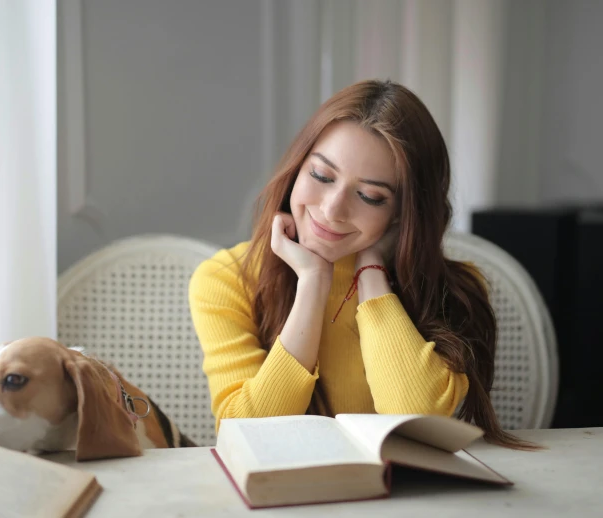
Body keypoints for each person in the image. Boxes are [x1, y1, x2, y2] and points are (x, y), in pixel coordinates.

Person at [189, 79, 532, 448]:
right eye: (321, 175)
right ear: (296, 170)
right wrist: (312, 285)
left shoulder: (454, 292)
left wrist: (370, 272)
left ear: (403, 213)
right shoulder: (225, 279)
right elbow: (246, 435)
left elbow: (417, 424)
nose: (332, 209)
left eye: (370, 197)